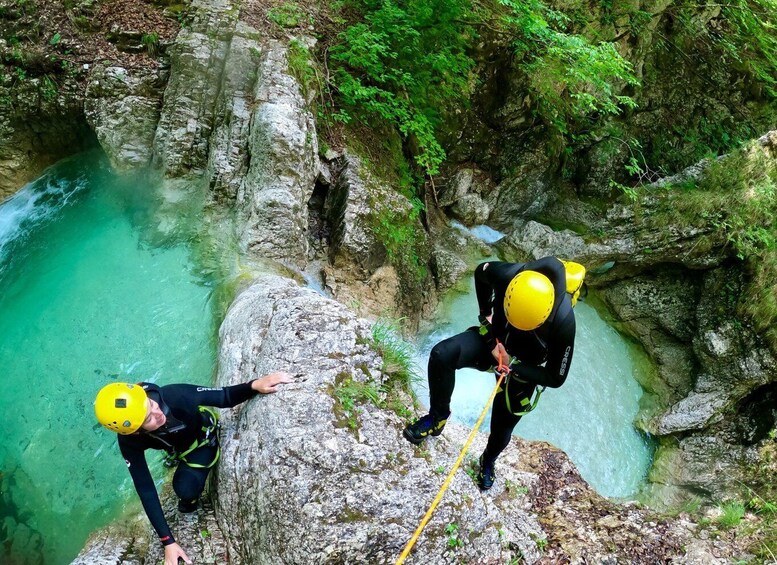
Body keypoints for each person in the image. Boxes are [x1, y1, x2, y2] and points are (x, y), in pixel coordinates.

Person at [403, 256, 582, 490]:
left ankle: (488, 460)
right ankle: (437, 419)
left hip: (521, 368)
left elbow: (556, 377)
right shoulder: (508, 275)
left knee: (502, 426)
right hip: (494, 341)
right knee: (442, 355)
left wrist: (513, 367)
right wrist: (486, 316)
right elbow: (480, 273)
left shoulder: (564, 321)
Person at [94, 372, 293, 565]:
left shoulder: (175, 396)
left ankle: (190, 483)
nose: (158, 412)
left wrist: (254, 385)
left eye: (151, 404)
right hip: (175, 445)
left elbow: (224, 396)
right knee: (181, 488)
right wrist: (168, 542)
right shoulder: (130, 441)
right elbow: (145, 488)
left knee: (185, 491)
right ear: (136, 432)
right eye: (148, 419)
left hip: (202, 440)